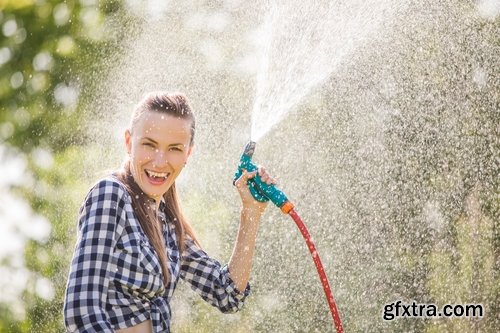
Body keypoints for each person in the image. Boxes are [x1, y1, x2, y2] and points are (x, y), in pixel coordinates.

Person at [63, 91, 276, 332]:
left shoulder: (167, 223)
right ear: (128, 142)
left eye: (174, 149)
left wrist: (251, 212)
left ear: (188, 153)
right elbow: (81, 313)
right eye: (149, 144)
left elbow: (226, 294)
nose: (160, 161)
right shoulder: (111, 195)